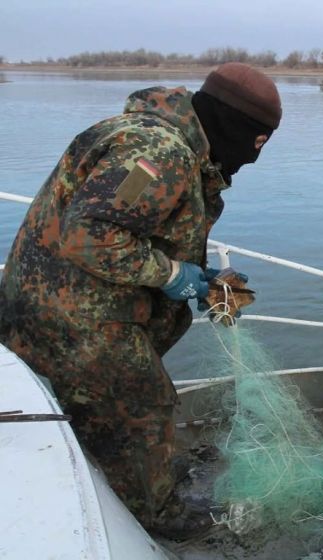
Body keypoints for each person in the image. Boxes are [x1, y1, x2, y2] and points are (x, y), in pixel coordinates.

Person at [0, 62, 281, 539]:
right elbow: (90, 235)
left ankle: (113, 477)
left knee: (101, 410)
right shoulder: (160, 152)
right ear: (235, 128)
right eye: (254, 144)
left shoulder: (155, 137)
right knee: (144, 406)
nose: (248, 160)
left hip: (53, 301)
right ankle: (160, 516)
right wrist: (174, 276)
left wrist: (202, 278)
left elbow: (129, 226)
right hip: (74, 317)